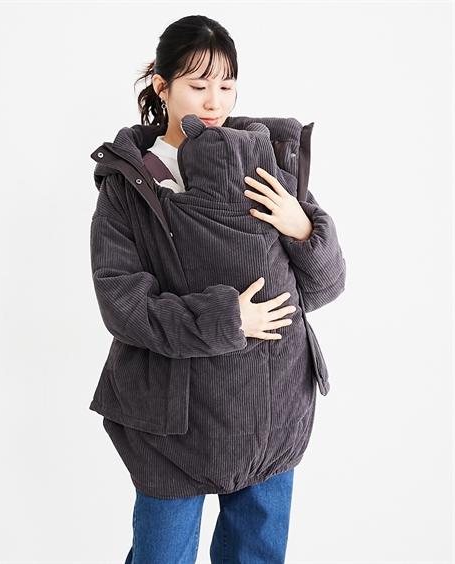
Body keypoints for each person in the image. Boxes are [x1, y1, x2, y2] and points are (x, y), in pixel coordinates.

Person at [89, 15, 346, 564]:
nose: (214, 102)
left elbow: (325, 286)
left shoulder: (264, 160)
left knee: (257, 554)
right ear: (161, 86)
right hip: (172, 417)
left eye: (226, 86)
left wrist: (302, 227)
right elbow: (122, 304)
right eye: (198, 84)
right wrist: (228, 319)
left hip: (269, 406)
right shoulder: (131, 183)